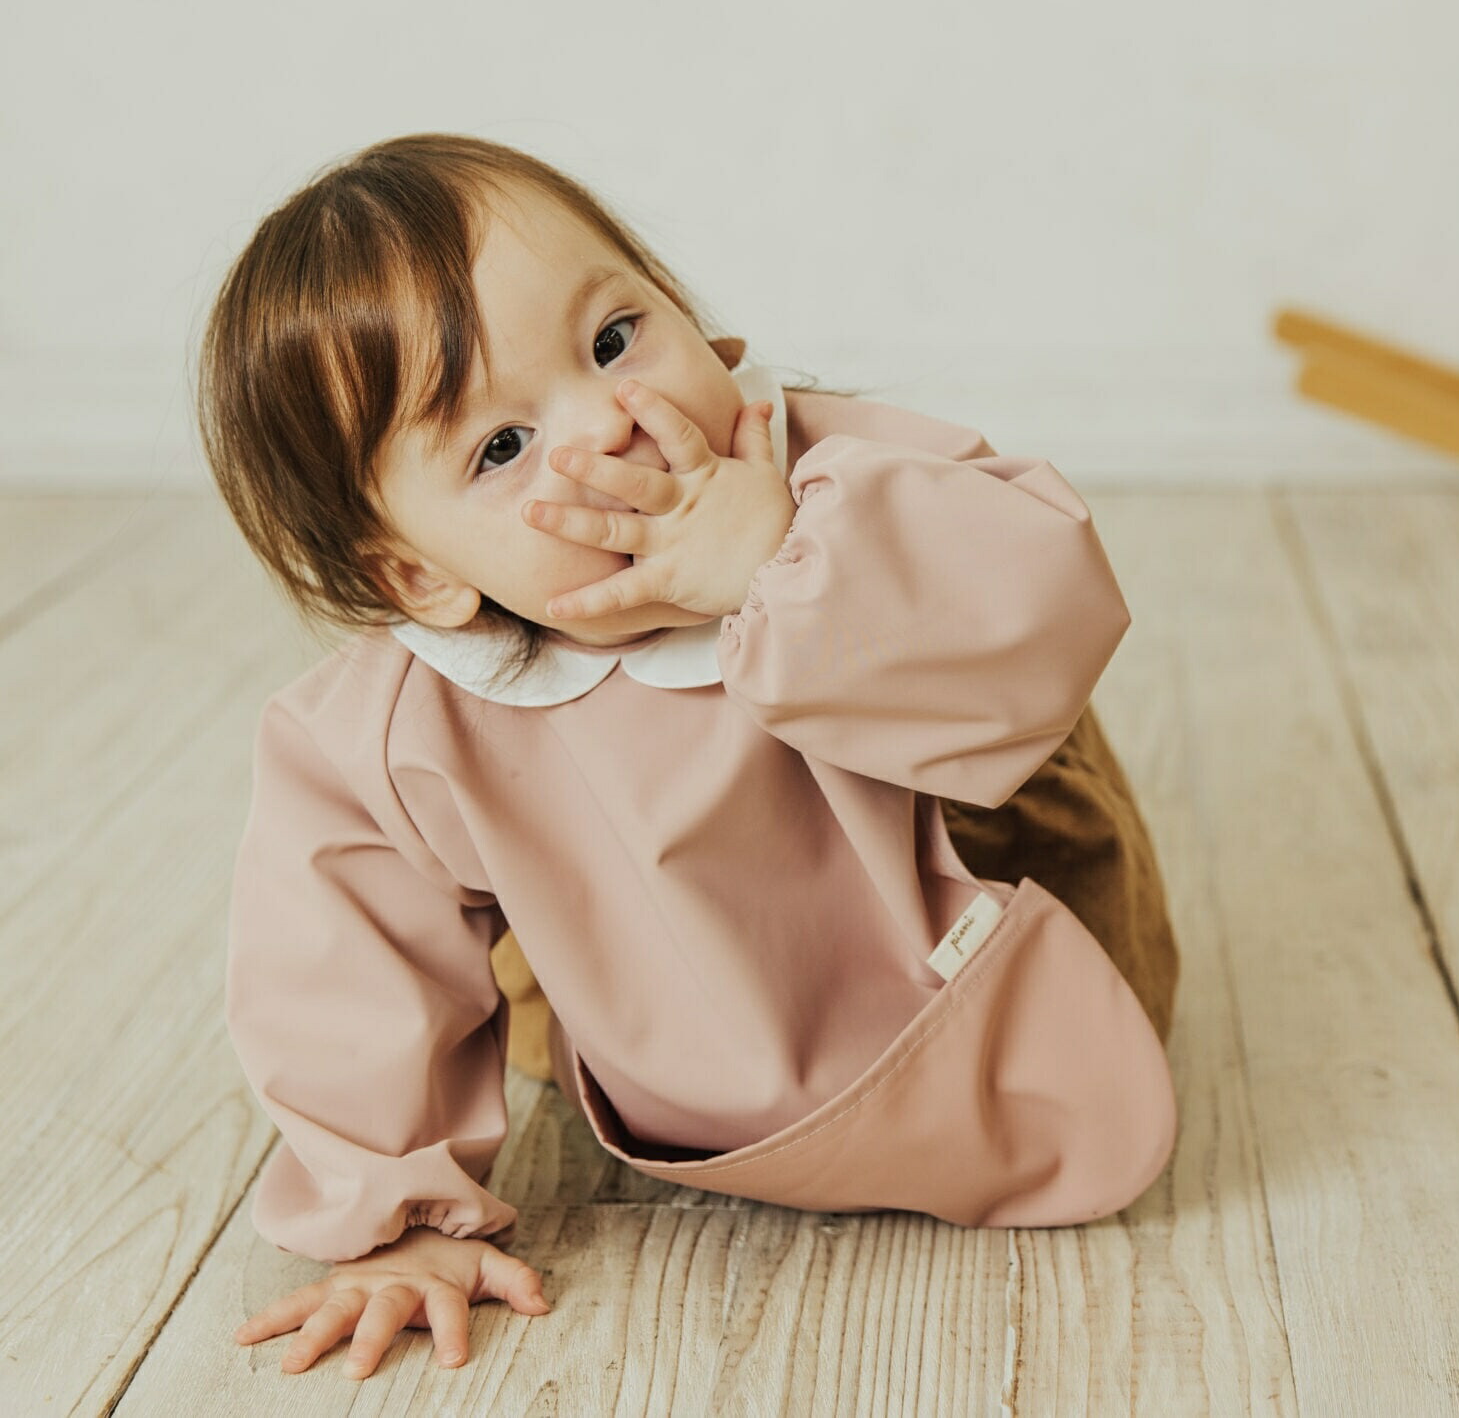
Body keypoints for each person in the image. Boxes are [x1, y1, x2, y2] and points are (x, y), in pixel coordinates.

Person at [199, 132, 1180, 1382]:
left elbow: (1048, 615)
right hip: (682, 1055)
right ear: (418, 576)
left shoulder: (839, 480)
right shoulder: (404, 728)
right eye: (500, 447)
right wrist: (395, 1221)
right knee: (495, 919)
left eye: (615, 339)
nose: (612, 420)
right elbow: (339, 966)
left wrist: (784, 567)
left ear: (683, 310)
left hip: (1002, 984)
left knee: (945, 611)